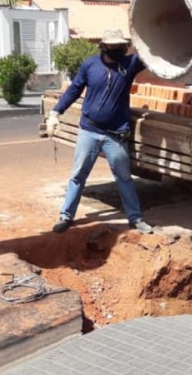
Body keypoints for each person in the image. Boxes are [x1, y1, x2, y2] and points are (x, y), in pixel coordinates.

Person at [46, 28, 154, 235]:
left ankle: (135, 218)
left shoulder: (129, 64)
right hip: (89, 131)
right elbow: (74, 89)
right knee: (78, 175)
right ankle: (66, 216)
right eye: (113, 47)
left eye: (121, 47)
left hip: (115, 135)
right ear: (103, 47)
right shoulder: (90, 65)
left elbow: (153, 52)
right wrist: (55, 112)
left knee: (124, 177)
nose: (118, 50)